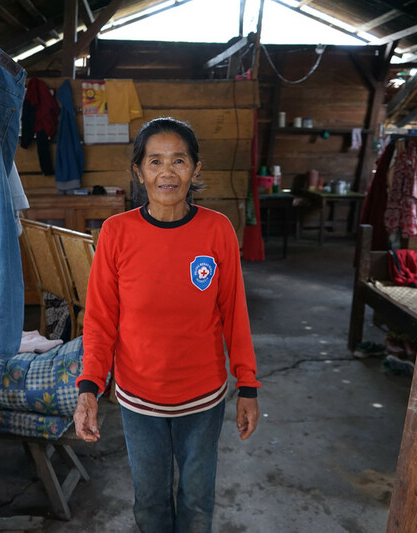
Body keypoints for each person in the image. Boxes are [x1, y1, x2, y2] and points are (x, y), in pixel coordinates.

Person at [74, 117, 261, 532]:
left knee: (197, 502)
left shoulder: (217, 231)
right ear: (139, 172)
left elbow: (235, 314)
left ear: (196, 169)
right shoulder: (116, 233)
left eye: (178, 160)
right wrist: (89, 387)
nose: (167, 172)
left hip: (203, 397)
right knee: (150, 504)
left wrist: (247, 385)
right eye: (155, 161)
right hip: (139, 398)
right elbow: (101, 319)